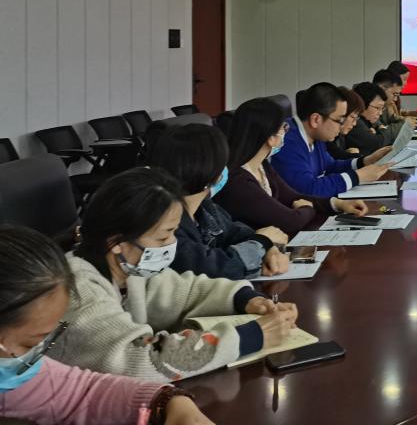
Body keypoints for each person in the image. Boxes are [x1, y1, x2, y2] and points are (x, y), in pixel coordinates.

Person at [53, 169, 298, 382]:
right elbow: (142, 359)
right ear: (117, 242)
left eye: (173, 233)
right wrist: (250, 337)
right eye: (163, 237)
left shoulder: (127, 269)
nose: (172, 243)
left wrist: (246, 299)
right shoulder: (80, 292)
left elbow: (186, 290)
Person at [0, 224, 214, 424]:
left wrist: (168, 402)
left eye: (39, 343)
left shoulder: (16, 371)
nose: (34, 355)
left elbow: (79, 394)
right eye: (30, 344)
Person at [150, 124, 290, 280]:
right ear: (214, 174)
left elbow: (236, 233)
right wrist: (261, 242)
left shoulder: (205, 207)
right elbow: (214, 269)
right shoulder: (166, 224)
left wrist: (268, 249)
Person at [218, 97, 368, 237]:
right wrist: (307, 208)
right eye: (283, 127)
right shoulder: (238, 181)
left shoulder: (261, 165)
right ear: (270, 137)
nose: (286, 131)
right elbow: (290, 221)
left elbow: (293, 196)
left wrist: (337, 203)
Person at [271, 82, 391, 197]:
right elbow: (308, 189)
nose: (341, 125)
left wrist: (364, 162)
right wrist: (357, 177)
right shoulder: (286, 141)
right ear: (316, 119)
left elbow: (330, 166)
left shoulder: (315, 136)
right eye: (339, 120)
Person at [345, 82, 390, 159]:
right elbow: (378, 143)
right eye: (377, 108)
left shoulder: (366, 120)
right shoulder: (356, 122)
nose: (380, 113)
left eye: (382, 108)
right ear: (363, 103)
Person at [372, 69, 409, 142]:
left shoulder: (386, 105)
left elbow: (394, 120)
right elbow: (380, 136)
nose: (395, 99)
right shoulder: (365, 106)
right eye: (394, 94)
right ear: (381, 89)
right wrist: (407, 124)